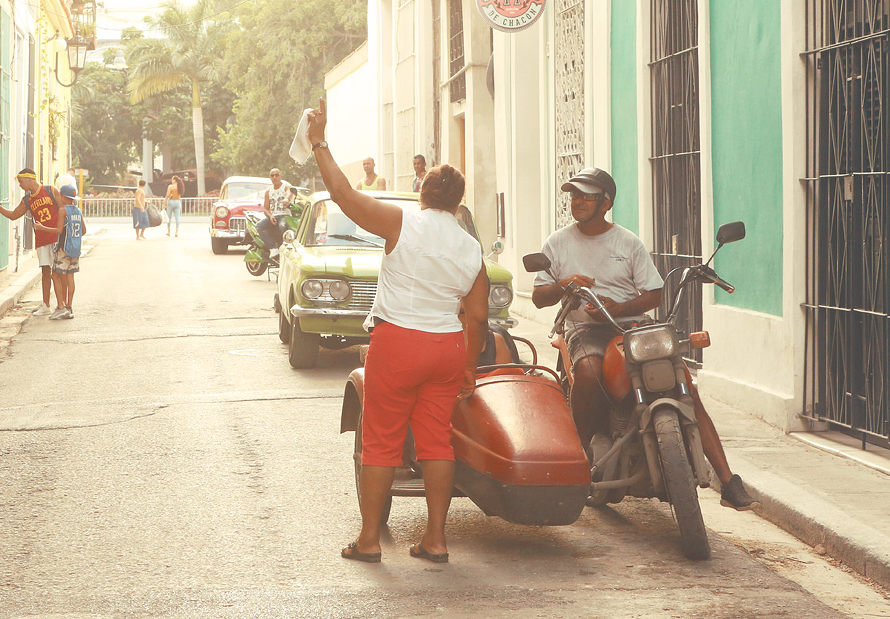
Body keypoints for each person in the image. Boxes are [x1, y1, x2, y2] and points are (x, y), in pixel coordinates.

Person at [307, 98, 489, 564]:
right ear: (458, 202)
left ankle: (369, 540)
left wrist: (320, 143)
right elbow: (478, 316)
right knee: (435, 441)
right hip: (446, 347)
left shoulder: (401, 221)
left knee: (381, 440)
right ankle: (435, 539)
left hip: (398, 342)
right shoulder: (470, 248)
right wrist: (468, 367)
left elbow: (345, 197)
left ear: (423, 193)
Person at [530, 167, 758, 511]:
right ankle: (585, 450)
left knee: (684, 385)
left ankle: (728, 481)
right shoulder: (557, 242)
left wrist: (617, 305)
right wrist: (566, 284)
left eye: (586, 196)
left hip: (631, 324)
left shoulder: (627, 241)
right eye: (574, 195)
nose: (577, 201)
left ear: (605, 203)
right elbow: (539, 297)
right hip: (583, 327)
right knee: (589, 372)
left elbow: (654, 294)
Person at [0, 169, 63, 316]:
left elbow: (63, 209)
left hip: (56, 236)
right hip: (42, 238)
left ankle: (63, 305)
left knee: (59, 272)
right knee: (45, 271)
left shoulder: (50, 190)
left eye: (21, 182)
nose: (20, 185)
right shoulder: (27, 200)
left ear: (30, 179)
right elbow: (13, 215)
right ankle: (46, 305)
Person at [50, 184, 85, 321]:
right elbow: (84, 230)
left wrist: (42, 228)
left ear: (63, 197)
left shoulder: (62, 211)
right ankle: (69, 306)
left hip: (64, 248)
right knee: (70, 277)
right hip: (75, 249)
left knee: (55, 275)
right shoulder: (77, 210)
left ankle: (61, 306)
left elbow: (59, 231)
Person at [256, 168, 294, 252]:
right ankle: (273, 248)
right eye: (272, 175)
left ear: (280, 176)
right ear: (270, 177)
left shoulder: (286, 186)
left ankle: (287, 249)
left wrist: (286, 199)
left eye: (276, 175)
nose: (274, 177)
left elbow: (289, 192)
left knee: (282, 225)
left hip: (286, 215)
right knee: (259, 225)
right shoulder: (268, 191)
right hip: (274, 216)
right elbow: (265, 209)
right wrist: (270, 216)